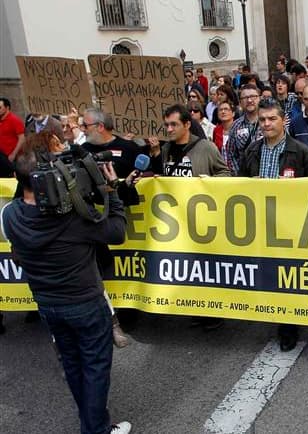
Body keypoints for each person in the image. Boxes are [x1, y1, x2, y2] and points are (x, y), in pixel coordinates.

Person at [2, 150, 132, 434]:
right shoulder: (75, 218)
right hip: (85, 304)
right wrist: (111, 191)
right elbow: (118, 232)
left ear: (16, 178)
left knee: (73, 366)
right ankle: (96, 430)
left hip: (48, 306)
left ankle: (92, 424)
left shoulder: (9, 216)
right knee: (95, 367)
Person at [238, 100, 308, 350]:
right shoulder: (252, 150)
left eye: (272, 119)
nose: (266, 124)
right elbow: (239, 185)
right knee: (268, 272)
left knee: (288, 277)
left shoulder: (301, 152)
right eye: (262, 120)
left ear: (283, 120)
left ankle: (288, 327)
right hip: (261, 224)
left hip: (289, 226)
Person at [151, 104, 230, 180]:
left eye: (174, 124)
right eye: (167, 125)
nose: (169, 129)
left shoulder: (207, 148)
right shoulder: (166, 148)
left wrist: (209, 181)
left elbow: (226, 173)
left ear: (187, 125)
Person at [225, 84, 262, 175]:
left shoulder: (269, 121)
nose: (249, 100)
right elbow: (230, 153)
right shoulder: (236, 125)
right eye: (245, 98)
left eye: (253, 96)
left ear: (259, 98)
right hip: (244, 177)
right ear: (240, 102)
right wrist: (239, 174)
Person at [0, 97, 25, 176]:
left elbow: (22, 138)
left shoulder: (14, 120)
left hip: (12, 158)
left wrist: (13, 154)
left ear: (7, 108)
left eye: (0, 107)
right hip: (2, 158)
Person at [212, 100, 235, 164]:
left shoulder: (238, 128)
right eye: (220, 110)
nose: (223, 112)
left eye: (226, 109)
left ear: (233, 113)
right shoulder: (216, 130)